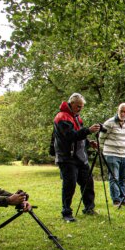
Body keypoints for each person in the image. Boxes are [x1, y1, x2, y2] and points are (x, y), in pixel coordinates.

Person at [53, 93, 101, 222]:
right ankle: (66, 212)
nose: (80, 109)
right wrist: (88, 130)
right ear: (71, 103)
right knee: (70, 185)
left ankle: (89, 208)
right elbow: (70, 136)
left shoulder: (76, 117)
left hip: (80, 157)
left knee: (88, 182)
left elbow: (79, 137)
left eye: (82, 107)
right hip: (67, 157)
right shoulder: (62, 117)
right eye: (78, 106)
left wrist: (88, 142)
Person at [101, 103, 125, 207]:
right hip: (111, 154)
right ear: (117, 111)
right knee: (114, 177)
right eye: (121, 111)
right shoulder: (109, 123)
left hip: (124, 155)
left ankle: (122, 199)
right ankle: (116, 200)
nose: (123, 114)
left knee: (123, 178)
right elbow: (101, 138)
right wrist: (103, 151)